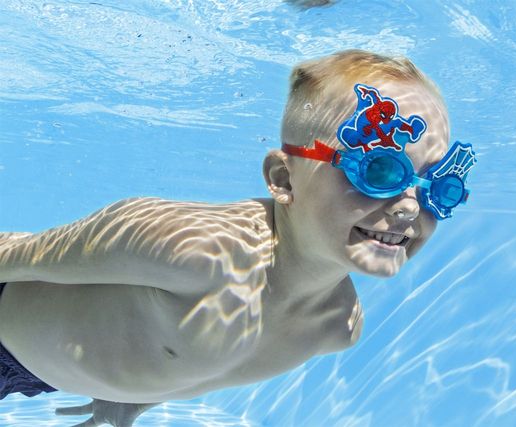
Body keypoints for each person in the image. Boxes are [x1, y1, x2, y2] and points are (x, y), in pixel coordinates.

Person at [0, 49, 476, 426]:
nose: (410, 207)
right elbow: (18, 254)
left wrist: (131, 397)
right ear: (283, 179)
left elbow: (205, 362)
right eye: (379, 171)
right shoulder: (189, 250)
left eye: (440, 187)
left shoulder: (337, 328)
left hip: (42, 374)